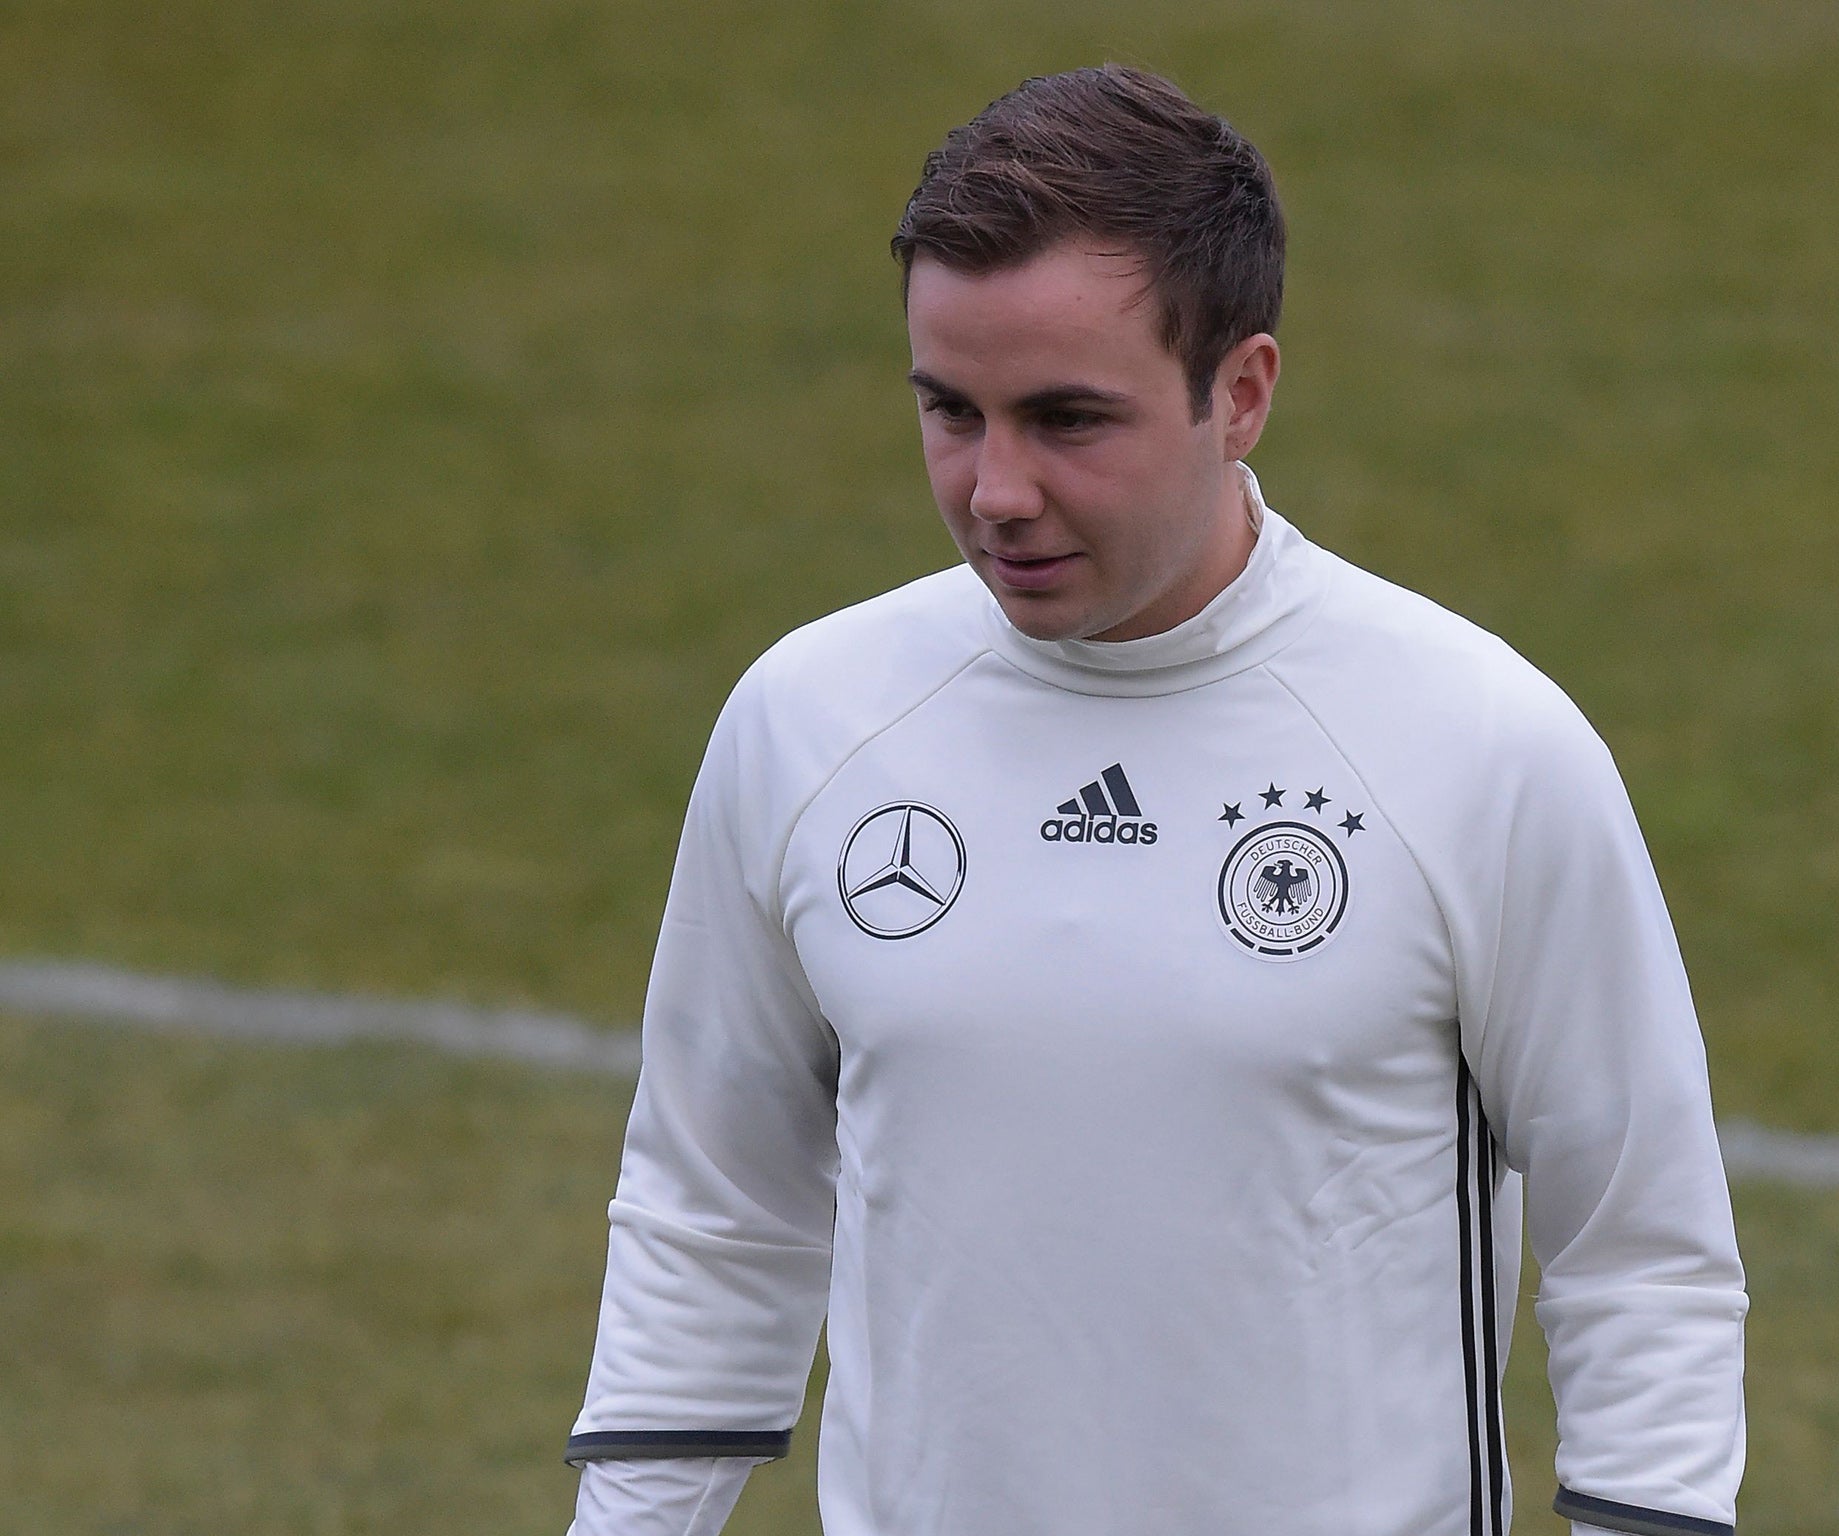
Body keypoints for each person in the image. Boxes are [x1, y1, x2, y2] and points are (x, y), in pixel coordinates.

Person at [564, 64, 1746, 1536]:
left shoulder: (1478, 747)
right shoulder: (810, 724)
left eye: (1067, 420)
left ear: (1240, 393)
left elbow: (1642, 1253)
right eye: (950, 411)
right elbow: (713, 1207)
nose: (995, 489)